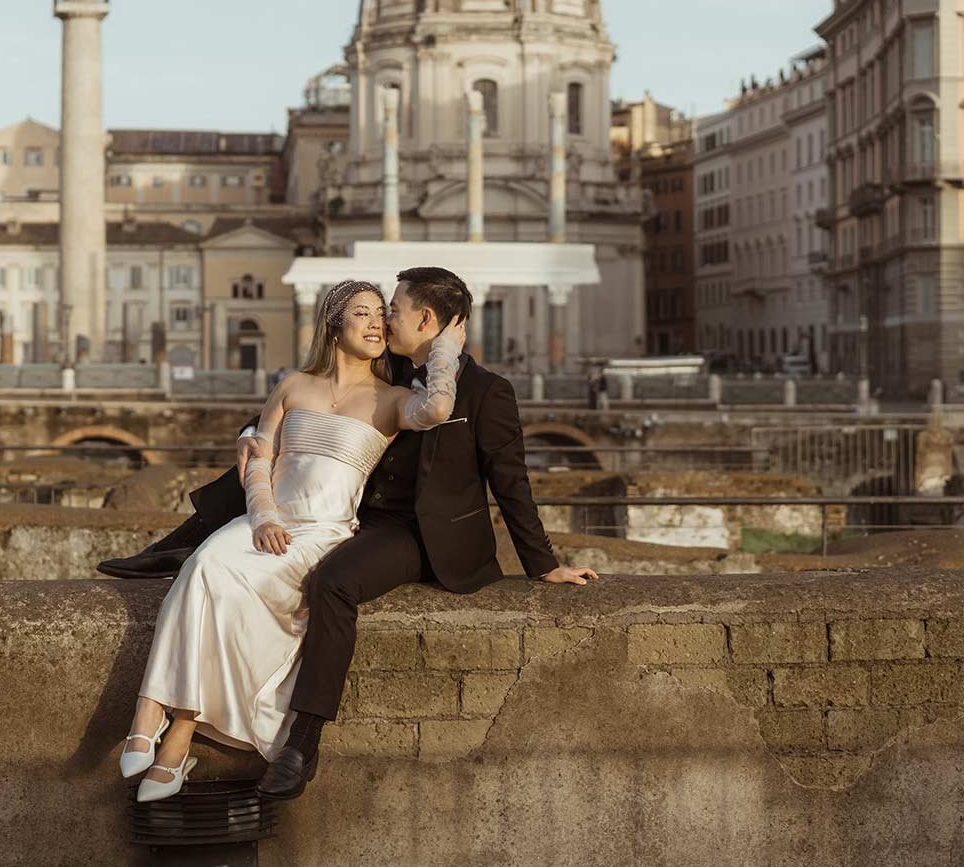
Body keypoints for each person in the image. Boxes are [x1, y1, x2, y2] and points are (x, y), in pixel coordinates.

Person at [103, 267, 597, 801]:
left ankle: (303, 741)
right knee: (261, 466)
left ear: (425, 318)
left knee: (332, 581)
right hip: (365, 518)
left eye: (394, 309)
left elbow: (511, 481)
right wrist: (253, 432)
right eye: (372, 310)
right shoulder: (381, 368)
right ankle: (177, 548)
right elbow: (309, 409)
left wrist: (543, 564)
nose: (385, 317)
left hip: (423, 534)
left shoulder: (483, 391)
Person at [119, 279, 465, 801]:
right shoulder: (293, 385)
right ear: (333, 324)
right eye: (362, 313)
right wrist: (261, 518)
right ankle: (152, 715)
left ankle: (177, 730)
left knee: (220, 578)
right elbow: (260, 460)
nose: (376, 323)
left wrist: (446, 349)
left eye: (381, 313)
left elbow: (438, 409)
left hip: (324, 533)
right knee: (206, 564)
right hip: (268, 521)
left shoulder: (394, 400)